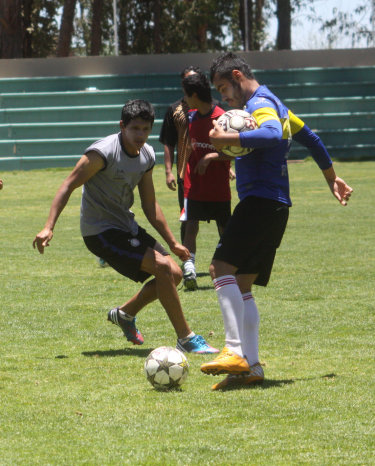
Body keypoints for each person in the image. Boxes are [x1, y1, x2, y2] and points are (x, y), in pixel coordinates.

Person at [199, 52, 353, 389]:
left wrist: (228, 139)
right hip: (275, 206)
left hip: (259, 202)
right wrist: (331, 177)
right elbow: (310, 138)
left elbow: (269, 135)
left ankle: (234, 350)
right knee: (242, 283)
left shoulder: (261, 103)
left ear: (238, 76)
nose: (223, 98)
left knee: (219, 268)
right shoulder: (276, 103)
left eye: (224, 88)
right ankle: (252, 368)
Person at [33, 99, 218, 354]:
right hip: (99, 232)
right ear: (122, 126)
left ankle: (125, 314)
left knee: (173, 275)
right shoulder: (102, 154)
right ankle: (186, 337)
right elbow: (68, 185)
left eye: (146, 129)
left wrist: (173, 242)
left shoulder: (146, 155)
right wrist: (48, 226)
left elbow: (150, 204)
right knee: (163, 267)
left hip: (126, 226)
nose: (141, 135)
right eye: (135, 129)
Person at [179, 72, 232, 290]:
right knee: (190, 225)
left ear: (193, 94)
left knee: (225, 229)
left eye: (185, 95)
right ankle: (189, 268)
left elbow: (237, 151)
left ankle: (227, 268)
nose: (184, 100)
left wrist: (212, 157)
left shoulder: (223, 118)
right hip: (195, 186)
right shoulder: (191, 117)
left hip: (218, 187)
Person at [159, 66, 202, 245]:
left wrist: (227, 167)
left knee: (222, 216)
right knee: (188, 217)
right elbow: (168, 142)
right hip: (186, 173)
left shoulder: (214, 107)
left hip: (212, 171)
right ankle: (187, 260)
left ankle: (229, 263)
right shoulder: (174, 109)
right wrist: (169, 171)